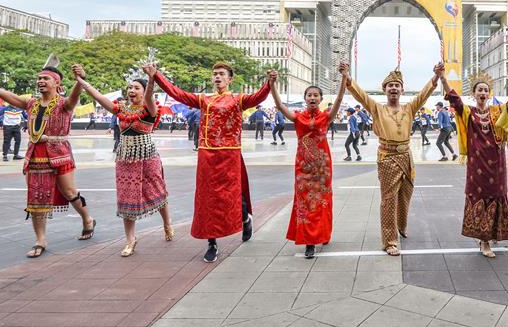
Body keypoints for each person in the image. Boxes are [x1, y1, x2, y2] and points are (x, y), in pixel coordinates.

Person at [0, 59, 96, 258]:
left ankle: (87, 219)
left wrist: (80, 79)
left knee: (69, 191)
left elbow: (76, 95)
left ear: (57, 83)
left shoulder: (64, 104)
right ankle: (40, 239)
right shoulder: (30, 103)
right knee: (36, 198)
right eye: (39, 78)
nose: (40, 81)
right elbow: (1, 92)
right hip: (36, 156)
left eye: (45, 78)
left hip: (60, 154)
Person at [146, 61, 270, 263]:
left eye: (221, 74)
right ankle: (211, 243)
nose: (217, 77)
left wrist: (269, 83)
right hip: (207, 155)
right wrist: (157, 75)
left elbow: (259, 96)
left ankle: (245, 218)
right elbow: (177, 93)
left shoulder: (238, 99)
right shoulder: (204, 100)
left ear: (230, 79)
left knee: (234, 193)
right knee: (207, 198)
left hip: (230, 153)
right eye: (215, 74)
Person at [340, 60, 441, 255]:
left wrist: (436, 76)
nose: (393, 88)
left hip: (406, 156)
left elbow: (424, 94)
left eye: (397, 86)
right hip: (387, 157)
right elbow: (360, 95)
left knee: (406, 194)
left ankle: (401, 226)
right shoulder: (377, 108)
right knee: (388, 199)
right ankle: (390, 241)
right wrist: (347, 76)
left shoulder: (409, 108)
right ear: (384, 90)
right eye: (390, 86)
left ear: (402, 90)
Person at [74, 67, 173, 256]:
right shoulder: (120, 109)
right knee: (126, 198)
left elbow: (151, 95)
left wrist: (151, 79)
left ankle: (167, 223)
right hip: (125, 160)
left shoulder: (149, 109)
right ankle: (130, 240)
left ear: (143, 92)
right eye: (130, 87)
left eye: (136, 88)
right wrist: (82, 81)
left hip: (147, 158)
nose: (131, 91)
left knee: (158, 192)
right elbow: (99, 97)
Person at [442, 71, 508, 258]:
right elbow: (455, 100)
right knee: (481, 197)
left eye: (485, 90)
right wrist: (442, 77)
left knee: (497, 195)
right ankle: (484, 242)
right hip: (477, 165)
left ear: (489, 94)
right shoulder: (468, 112)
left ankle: (495, 232)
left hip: (497, 164)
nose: (482, 92)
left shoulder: (497, 111)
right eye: (479, 90)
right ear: (473, 94)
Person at [268, 70, 347, 258]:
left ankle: (324, 233)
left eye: (316, 95)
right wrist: (272, 84)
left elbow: (338, 100)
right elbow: (279, 105)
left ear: (320, 99)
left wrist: (344, 78)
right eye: (309, 95)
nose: (312, 97)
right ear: (305, 98)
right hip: (303, 167)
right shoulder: (298, 118)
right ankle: (309, 243)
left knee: (323, 202)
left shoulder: (325, 117)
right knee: (305, 202)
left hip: (322, 168)